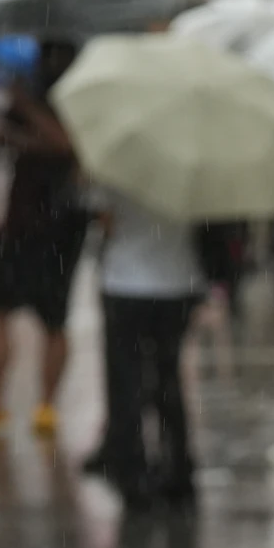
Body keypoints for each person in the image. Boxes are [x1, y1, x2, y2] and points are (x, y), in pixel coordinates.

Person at [0, 41, 88, 439]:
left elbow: (67, 145)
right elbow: (2, 142)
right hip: (16, 221)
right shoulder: (20, 91)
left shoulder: (81, 96)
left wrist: (27, 110)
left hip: (61, 223)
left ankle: (47, 405)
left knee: (54, 318)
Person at [85, 187, 206, 508]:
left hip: (125, 283)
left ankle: (132, 475)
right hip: (177, 281)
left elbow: (105, 221)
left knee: (126, 382)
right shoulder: (188, 170)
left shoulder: (116, 168)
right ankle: (177, 468)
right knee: (168, 378)